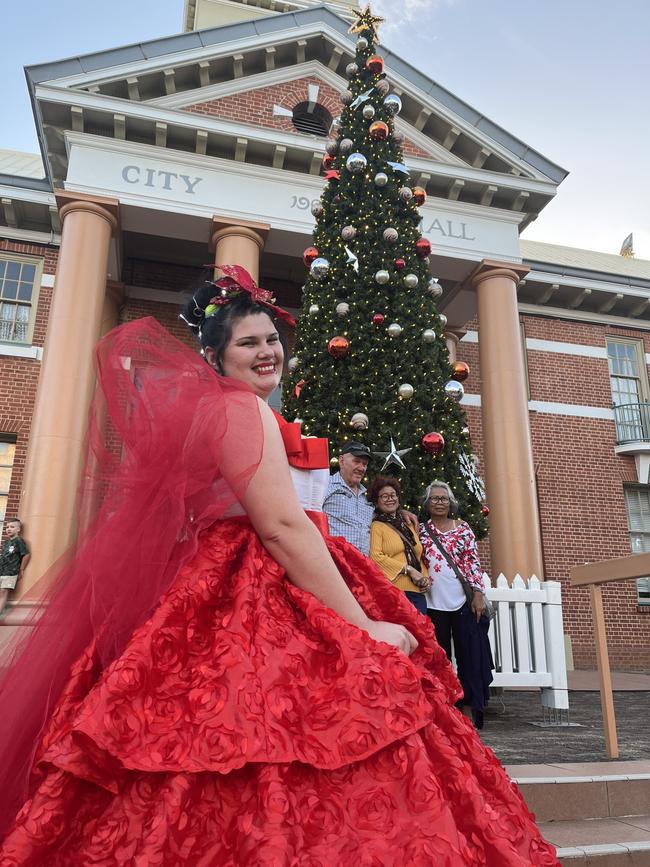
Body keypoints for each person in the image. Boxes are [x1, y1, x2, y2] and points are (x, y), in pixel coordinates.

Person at [0, 267, 558, 865]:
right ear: (214, 355)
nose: (266, 352)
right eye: (248, 343)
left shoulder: (210, 412)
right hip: (250, 586)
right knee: (288, 728)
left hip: (208, 581)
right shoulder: (242, 411)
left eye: (271, 339)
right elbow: (283, 527)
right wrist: (361, 626)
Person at [420, 480, 494, 729]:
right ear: (427, 503)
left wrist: (478, 594)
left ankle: (469, 707)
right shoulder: (420, 530)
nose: (439, 502)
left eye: (443, 498)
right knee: (440, 658)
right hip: (432, 605)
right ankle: (443, 706)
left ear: (450, 502)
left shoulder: (463, 529)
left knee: (469, 656)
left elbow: (473, 563)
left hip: (462, 602)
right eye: (434, 498)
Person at [368, 476, 430, 615]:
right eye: (384, 496)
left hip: (417, 593)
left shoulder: (408, 524)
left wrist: (424, 577)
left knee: (420, 635)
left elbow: (418, 554)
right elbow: (375, 557)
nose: (390, 499)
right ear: (377, 502)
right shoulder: (377, 526)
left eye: (393, 495)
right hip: (394, 591)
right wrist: (409, 570)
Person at [322, 441, 374, 553]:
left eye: (364, 464)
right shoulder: (325, 485)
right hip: (335, 563)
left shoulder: (367, 496)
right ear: (341, 461)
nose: (361, 468)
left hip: (364, 566)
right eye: (357, 462)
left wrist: (404, 513)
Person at [0, 518, 30, 615]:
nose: (8, 529)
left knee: (3, 592)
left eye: (12, 527)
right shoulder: (6, 542)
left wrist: (22, 568)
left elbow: (26, 554)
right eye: (7, 527)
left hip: (11, 571)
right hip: (1, 570)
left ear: (18, 529)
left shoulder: (19, 541)